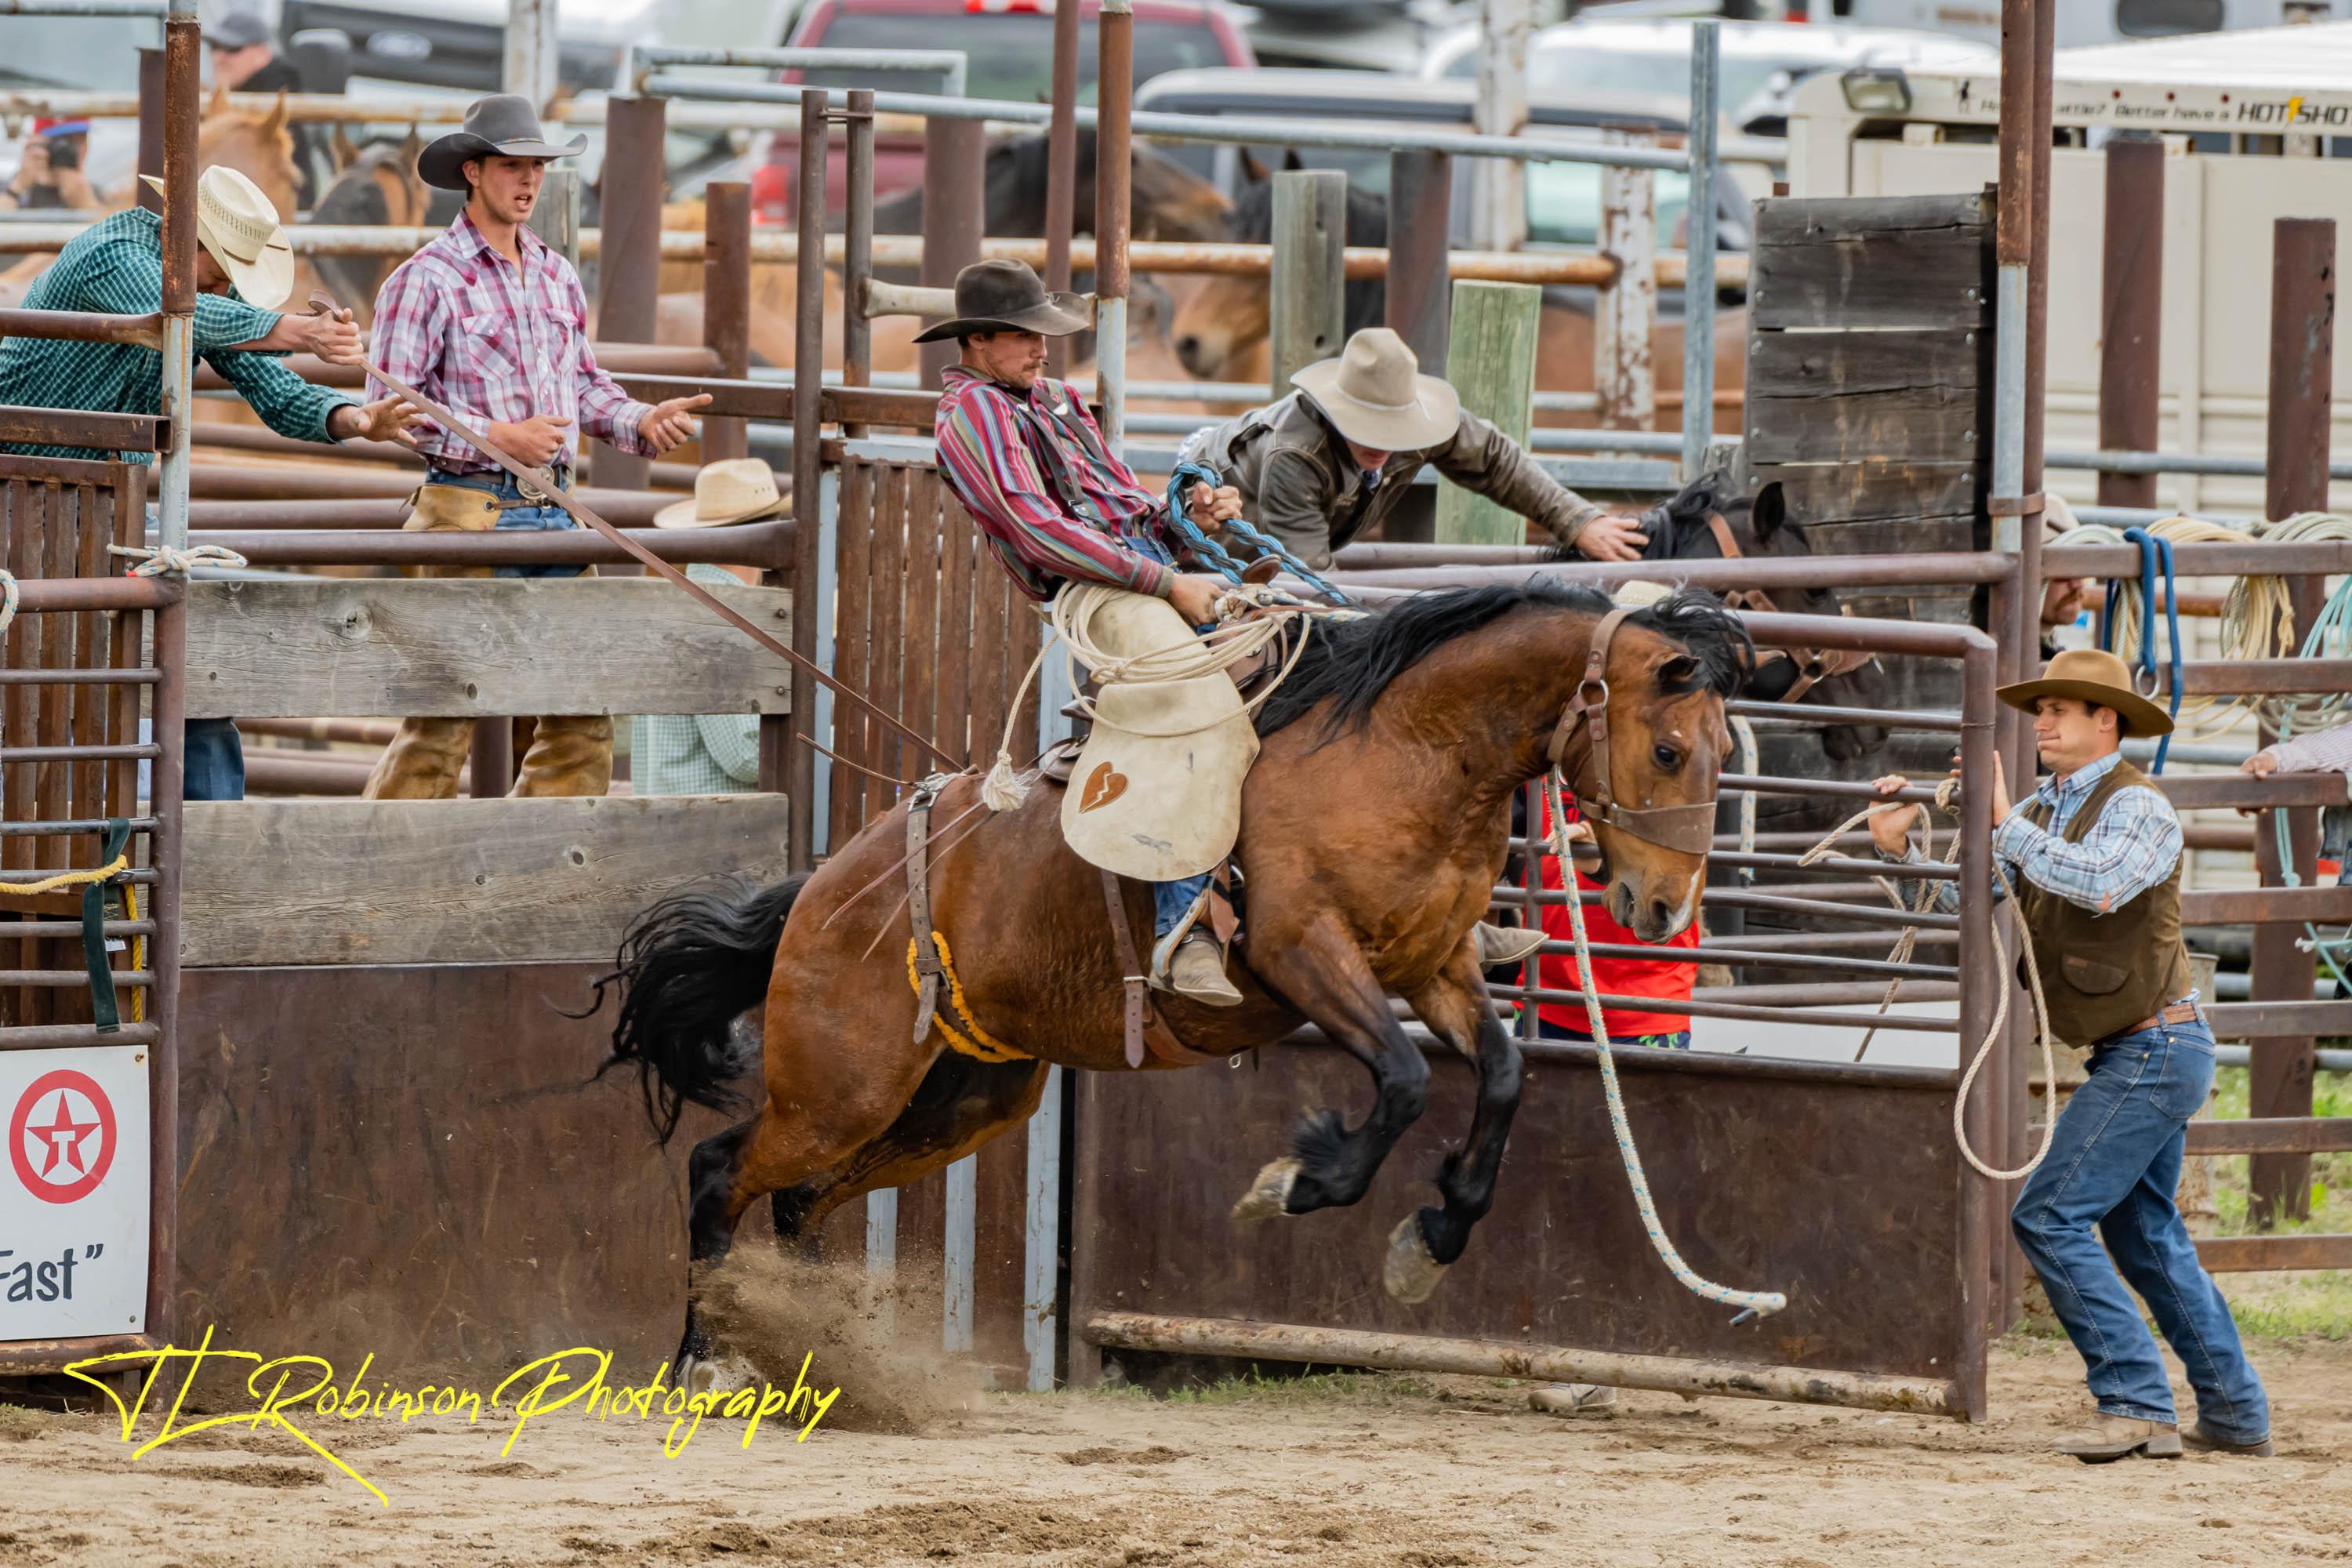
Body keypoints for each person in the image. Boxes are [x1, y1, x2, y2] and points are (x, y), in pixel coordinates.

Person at [1869, 647, 2272, 1462]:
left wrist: (2002, 820)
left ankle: (2136, 1401)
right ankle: (2234, 1411)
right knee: (2145, 1236)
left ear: (2106, 721)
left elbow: (2100, 883)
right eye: (2042, 710)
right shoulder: (2040, 810)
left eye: (2060, 710)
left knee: (2048, 1214)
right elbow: (1969, 903)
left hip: (2153, 1045)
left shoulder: (2137, 806)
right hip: (2146, 1047)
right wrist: (1897, 850)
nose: (2043, 723)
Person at [0, 163, 420, 801]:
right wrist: (299, 330)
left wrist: (354, 419)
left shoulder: (199, 296)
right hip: (18, 487)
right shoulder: (113, 252)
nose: (223, 289)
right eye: (220, 273)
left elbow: (272, 388)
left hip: (101, 500)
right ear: (185, 238)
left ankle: (208, 837)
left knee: (191, 671)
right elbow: (173, 313)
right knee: (41, 676)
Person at [361, 94, 710, 801]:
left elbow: (582, 384)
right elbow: (390, 407)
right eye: (512, 166)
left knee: (582, 716)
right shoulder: (424, 278)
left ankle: (545, 859)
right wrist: (499, 436)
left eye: (539, 168)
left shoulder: (555, 274)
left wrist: (641, 420)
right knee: (443, 722)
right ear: (473, 172)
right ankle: (380, 863)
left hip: (553, 509)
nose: (528, 181)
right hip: (467, 510)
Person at [925, 258, 1250, 1005]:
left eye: (1044, 334)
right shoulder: (971, 414)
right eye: (1024, 335)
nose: (1043, 348)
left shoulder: (1060, 400)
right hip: (1091, 594)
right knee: (1194, 707)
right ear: (977, 341)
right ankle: (1182, 933)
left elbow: (1127, 507)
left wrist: (1187, 518)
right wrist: (1167, 581)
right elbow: (1037, 532)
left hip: (1143, 572)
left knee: (1306, 655)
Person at [1180, 327, 1653, 570]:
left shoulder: (1424, 424)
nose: (1382, 444)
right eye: (1367, 428)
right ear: (1336, 414)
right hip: (1212, 530)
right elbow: (1309, 580)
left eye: (1394, 429)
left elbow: (1492, 457)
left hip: (1288, 538)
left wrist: (1577, 521)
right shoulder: (1295, 455)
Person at [629, 460, 789, 796]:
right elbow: (744, 756)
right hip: (718, 821)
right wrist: (826, 741)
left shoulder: (678, 605)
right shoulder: (723, 618)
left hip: (666, 811)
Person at [205, 9, 319, 208]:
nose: (219, 57)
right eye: (214, 46)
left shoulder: (277, 103)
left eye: (232, 48)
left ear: (263, 53)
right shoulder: (235, 97)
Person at [0, 119, 99, 213]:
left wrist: (86, 203)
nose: (74, 150)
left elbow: (104, 222)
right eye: (62, 142)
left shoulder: (95, 194)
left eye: (81, 140)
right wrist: (17, 188)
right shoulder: (9, 188)